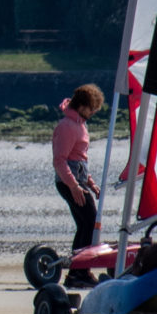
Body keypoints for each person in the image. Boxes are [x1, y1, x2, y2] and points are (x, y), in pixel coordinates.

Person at [52, 85, 105, 252]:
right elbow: (60, 160)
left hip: (78, 181)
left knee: (85, 225)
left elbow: (79, 158)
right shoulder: (67, 126)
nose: (93, 114)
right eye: (91, 110)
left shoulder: (80, 124)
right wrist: (74, 186)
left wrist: (90, 182)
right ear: (82, 107)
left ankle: (77, 271)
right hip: (69, 183)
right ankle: (80, 271)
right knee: (91, 222)